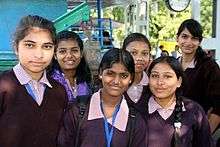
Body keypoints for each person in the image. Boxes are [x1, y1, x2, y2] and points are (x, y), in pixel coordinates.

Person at [0, 15, 67, 147]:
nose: (38, 55)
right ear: (15, 47)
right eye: (30, 45)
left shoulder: (58, 91)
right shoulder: (3, 86)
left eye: (47, 47)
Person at [58, 48, 147, 147]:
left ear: (131, 78)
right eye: (110, 73)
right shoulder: (77, 110)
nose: (116, 81)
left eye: (124, 76)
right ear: (100, 73)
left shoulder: (135, 120)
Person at [145, 56, 213, 146]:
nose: (160, 82)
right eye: (155, 76)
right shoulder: (137, 111)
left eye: (167, 76)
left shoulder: (194, 111)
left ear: (179, 81)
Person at [176, 19, 220, 134]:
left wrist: (204, 136)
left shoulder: (209, 67)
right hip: (176, 130)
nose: (189, 42)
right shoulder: (172, 65)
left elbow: (218, 106)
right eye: (184, 36)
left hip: (199, 129)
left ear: (199, 42)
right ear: (177, 38)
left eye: (194, 38)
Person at [49, 30, 92, 102]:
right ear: (55, 55)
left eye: (74, 50)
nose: (69, 56)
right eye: (62, 51)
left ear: (81, 53)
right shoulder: (50, 83)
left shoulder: (86, 80)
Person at [122, 33, 150, 114]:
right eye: (133, 53)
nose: (139, 58)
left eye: (144, 53)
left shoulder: (153, 85)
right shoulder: (115, 84)